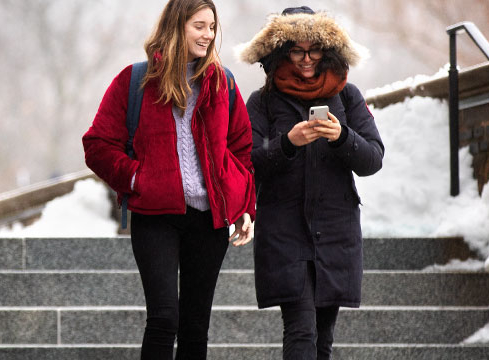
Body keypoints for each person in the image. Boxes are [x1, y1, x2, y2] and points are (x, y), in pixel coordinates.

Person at [82, 0, 255, 358]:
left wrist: (242, 204)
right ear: (177, 26)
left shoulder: (223, 84)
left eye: (212, 27)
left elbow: (242, 150)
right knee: (163, 318)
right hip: (154, 218)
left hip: (208, 222)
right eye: (199, 26)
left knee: (195, 326)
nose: (208, 35)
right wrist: (136, 180)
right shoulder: (135, 81)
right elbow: (97, 145)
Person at [236, 6, 383, 360]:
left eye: (313, 50)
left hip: (335, 231)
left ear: (327, 50)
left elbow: (373, 158)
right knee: (300, 330)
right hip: (285, 232)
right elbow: (247, 162)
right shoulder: (263, 101)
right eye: (296, 51)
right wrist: (288, 142)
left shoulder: (347, 96)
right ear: (281, 51)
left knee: (323, 337)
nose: (306, 60)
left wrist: (341, 136)